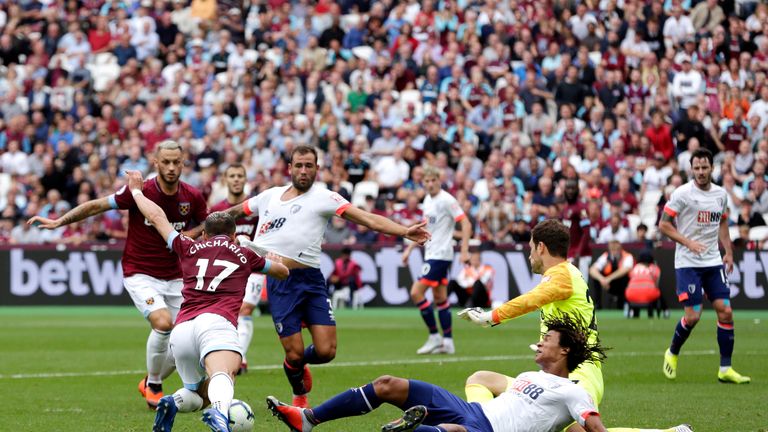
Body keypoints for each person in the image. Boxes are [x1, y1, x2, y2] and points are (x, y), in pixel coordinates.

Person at [223, 145, 431, 408]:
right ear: (289, 168)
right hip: (280, 282)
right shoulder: (269, 197)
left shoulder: (325, 198)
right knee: (295, 353)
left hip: (310, 280)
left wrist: (404, 231)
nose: (303, 170)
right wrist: (208, 225)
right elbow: (235, 212)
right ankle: (298, 390)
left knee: (326, 351)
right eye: (298, 165)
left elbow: (368, 219)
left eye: (309, 165)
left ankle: (295, 364)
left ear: (317, 169)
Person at [267, 314, 692, 432]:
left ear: (564, 350)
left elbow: (595, 428)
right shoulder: (530, 375)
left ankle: (413, 429)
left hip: (484, 431)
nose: (540, 341)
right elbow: (487, 381)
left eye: (548, 339)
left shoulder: (573, 390)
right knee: (386, 384)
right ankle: (309, 419)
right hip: (470, 410)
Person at [27, 140, 208, 408]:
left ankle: (148, 380)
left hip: (177, 276)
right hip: (140, 273)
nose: (171, 168)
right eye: (165, 162)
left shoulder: (192, 196)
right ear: (155, 162)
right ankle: (155, 386)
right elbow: (97, 206)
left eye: (176, 162)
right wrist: (59, 221)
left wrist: (184, 236)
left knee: (185, 341)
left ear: (183, 163)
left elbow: (205, 224)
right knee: (162, 323)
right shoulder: (140, 191)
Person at [458, 220, 681, 432]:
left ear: (541, 247)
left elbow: (533, 299)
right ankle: (482, 423)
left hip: (579, 372)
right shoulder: (561, 274)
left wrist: (491, 317)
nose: (530, 254)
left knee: (576, 431)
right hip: (552, 376)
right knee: (480, 379)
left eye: (531, 248)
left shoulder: (563, 275)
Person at [122, 170, 289, 432]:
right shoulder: (244, 255)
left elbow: (156, 217)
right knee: (223, 374)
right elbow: (282, 271)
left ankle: (173, 401)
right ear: (233, 236)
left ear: (204, 236)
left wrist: (135, 191)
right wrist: (257, 249)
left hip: (183, 328)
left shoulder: (187, 246)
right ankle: (221, 414)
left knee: (198, 394)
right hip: (217, 323)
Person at [658, 148, 751, 384]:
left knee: (726, 311)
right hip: (687, 262)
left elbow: (722, 222)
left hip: (712, 260)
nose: (700, 172)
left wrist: (728, 251)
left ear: (712, 168)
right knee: (693, 316)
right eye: (696, 168)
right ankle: (672, 352)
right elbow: (664, 225)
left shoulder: (720, 194)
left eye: (704, 167)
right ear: (692, 169)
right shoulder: (682, 194)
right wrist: (688, 242)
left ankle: (725, 369)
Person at [401, 165, 472, 355]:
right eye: (427, 181)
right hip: (432, 252)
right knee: (440, 298)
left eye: (433, 180)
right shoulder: (427, 200)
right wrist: (409, 248)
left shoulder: (447, 200)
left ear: (439, 181)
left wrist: (464, 251)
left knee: (416, 293)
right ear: (423, 183)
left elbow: (466, 224)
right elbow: (426, 230)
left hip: (440, 255)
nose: (430, 184)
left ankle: (434, 336)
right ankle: (448, 342)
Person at [208, 163, 263, 375]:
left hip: (253, 266)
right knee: (226, 312)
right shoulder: (217, 209)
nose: (237, 179)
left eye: (240, 175)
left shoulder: (255, 207)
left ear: (245, 179)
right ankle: (229, 352)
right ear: (225, 179)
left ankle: (238, 358)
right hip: (227, 269)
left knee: (246, 309)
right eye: (232, 176)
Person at [588, 239, 634, 312]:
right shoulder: (605, 256)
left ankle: (624, 305)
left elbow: (626, 269)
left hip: (623, 284)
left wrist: (609, 278)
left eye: (617, 249)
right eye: (612, 249)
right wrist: (602, 279)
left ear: (621, 249)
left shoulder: (627, 256)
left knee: (625, 277)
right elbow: (592, 270)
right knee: (596, 278)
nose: (615, 252)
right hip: (608, 284)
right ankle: (598, 305)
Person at [625, 251, 665, 319]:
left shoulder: (634, 268)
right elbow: (656, 285)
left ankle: (634, 314)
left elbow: (631, 281)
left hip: (631, 295)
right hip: (649, 295)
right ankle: (661, 312)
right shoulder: (655, 268)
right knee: (657, 291)